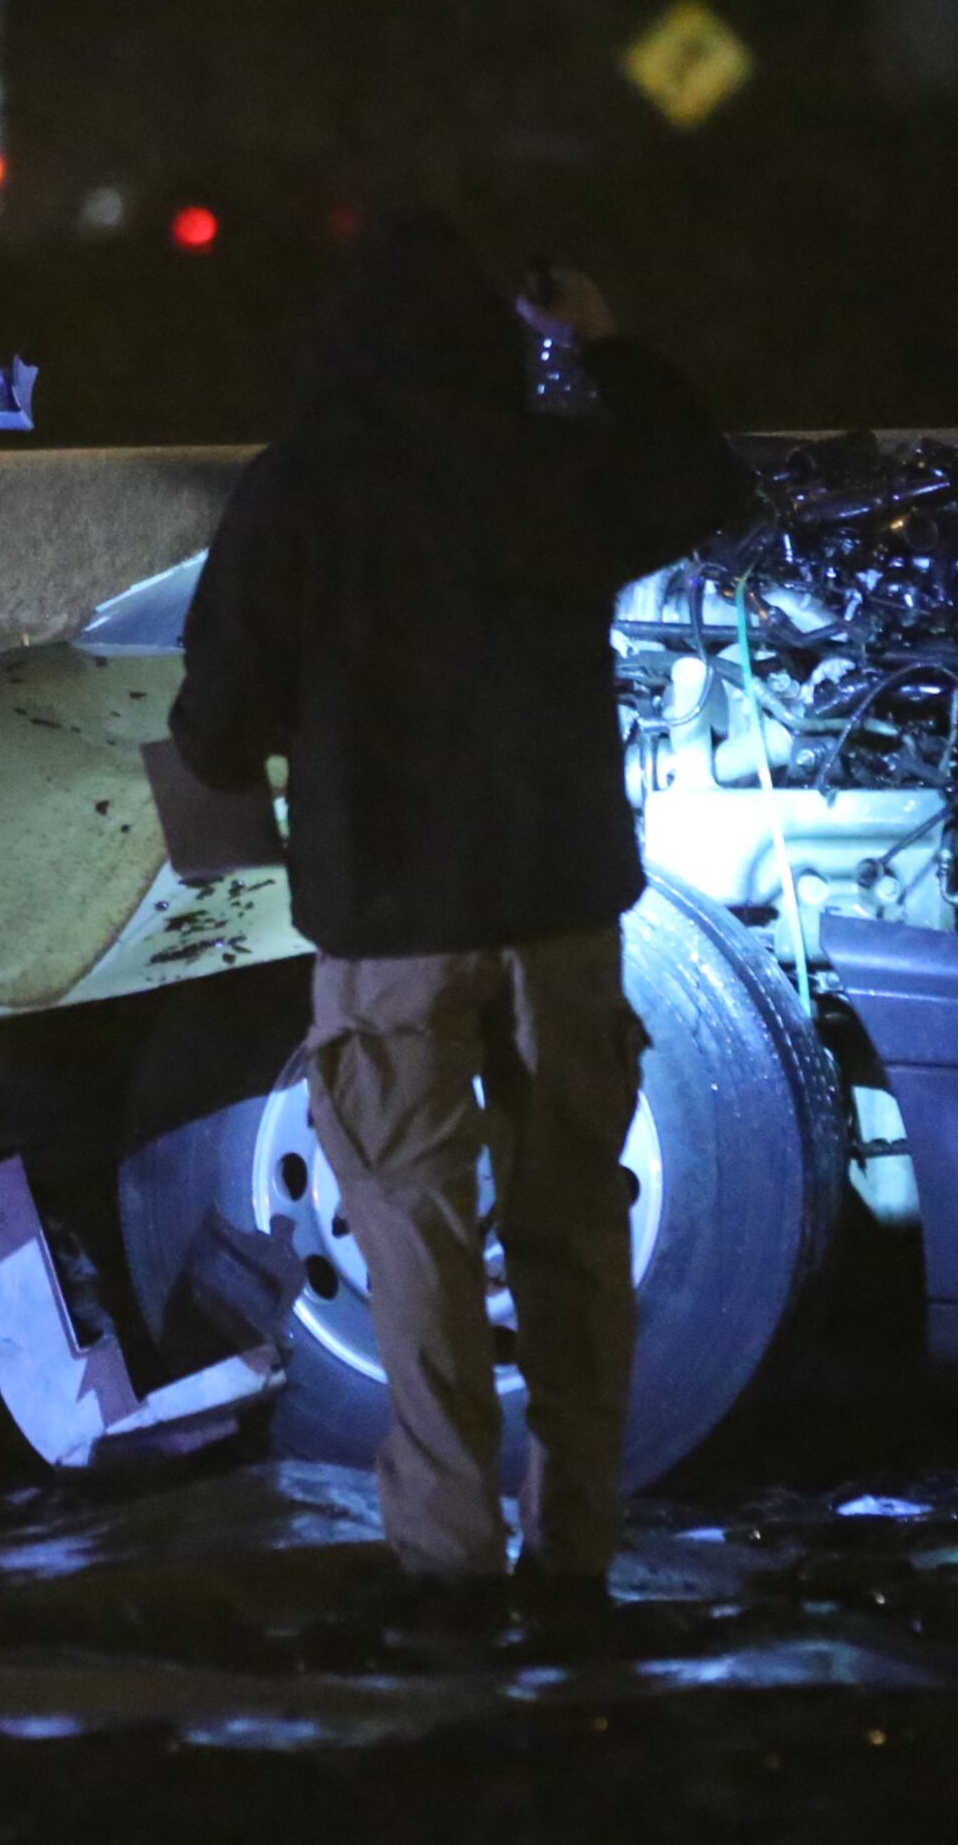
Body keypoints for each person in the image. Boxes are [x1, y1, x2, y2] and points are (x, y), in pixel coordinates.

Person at [169, 208, 749, 1609]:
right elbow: (697, 486)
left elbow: (217, 719)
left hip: (390, 927)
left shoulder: (299, 488)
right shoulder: (551, 463)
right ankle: (578, 1543)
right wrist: (604, 348)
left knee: (412, 1235)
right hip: (559, 908)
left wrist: (226, 796)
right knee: (573, 1227)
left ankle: (447, 1556)